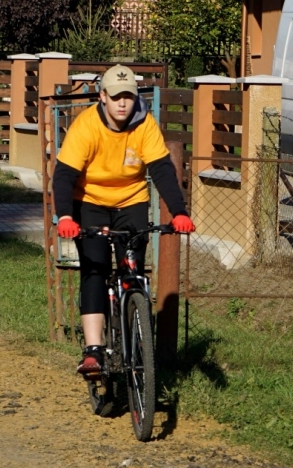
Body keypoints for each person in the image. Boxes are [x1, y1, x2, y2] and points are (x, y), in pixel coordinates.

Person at [52, 64, 195, 375]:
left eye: (128, 96)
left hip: (131, 201)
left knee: (131, 267)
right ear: (102, 96)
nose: (122, 103)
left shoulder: (144, 124)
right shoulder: (86, 125)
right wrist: (65, 216)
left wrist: (180, 211)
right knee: (95, 268)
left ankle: (135, 332)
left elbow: (162, 171)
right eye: (115, 96)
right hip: (89, 202)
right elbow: (63, 176)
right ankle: (93, 350)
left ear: (135, 97)